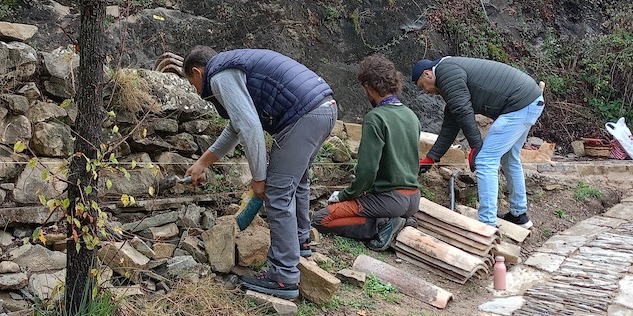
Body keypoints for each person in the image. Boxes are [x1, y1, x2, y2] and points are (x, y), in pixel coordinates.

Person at [182, 47, 338, 299]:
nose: (197, 92)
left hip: (302, 115)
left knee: (277, 193)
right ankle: (300, 243)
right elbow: (236, 127)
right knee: (297, 182)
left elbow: (249, 127)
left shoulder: (219, 76)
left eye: (193, 84)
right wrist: (202, 163)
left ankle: (283, 277)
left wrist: (259, 179)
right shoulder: (232, 68)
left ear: (198, 72)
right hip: (324, 107)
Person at [411, 56, 544, 229]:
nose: (426, 91)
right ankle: (519, 215)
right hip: (528, 101)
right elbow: (451, 124)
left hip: (519, 105)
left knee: (485, 160)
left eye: (423, 86)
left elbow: (463, 110)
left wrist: (476, 145)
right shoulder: (449, 77)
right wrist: (431, 158)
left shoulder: (446, 72)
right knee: (510, 158)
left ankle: (487, 225)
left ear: (428, 74)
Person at [312, 55, 421, 252]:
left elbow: (367, 171)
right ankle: (398, 219)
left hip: (390, 200)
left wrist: (345, 195)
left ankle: (382, 224)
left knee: (321, 219)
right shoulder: (411, 115)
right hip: (413, 199)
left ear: (368, 87)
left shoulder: (376, 117)